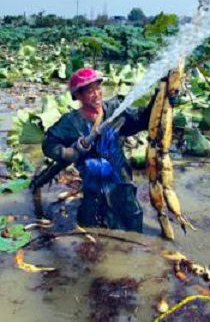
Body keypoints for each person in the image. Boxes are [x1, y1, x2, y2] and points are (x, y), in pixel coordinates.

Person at [42, 67, 155, 232]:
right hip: (92, 181)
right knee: (91, 225)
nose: (97, 94)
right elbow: (48, 144)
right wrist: (67, 153)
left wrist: (159, 98)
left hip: (120, 178)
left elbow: (142, 119)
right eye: (90, 90)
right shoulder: (71, 122)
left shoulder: (115, 109)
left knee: (132, 217)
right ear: (78, 95)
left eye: (98, 88)